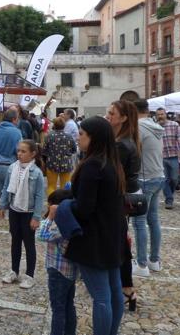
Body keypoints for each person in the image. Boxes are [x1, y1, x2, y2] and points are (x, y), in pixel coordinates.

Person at [62, 116, 125, 335]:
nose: (78, 138)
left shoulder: (92, 165)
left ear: (93, 138)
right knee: (114, 293)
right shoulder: (112, 163)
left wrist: (65, 205)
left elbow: (84, 209)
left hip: (93, 239)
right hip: (112, 236)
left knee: (101, 297)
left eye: (81, 134)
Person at [106, 100, 141, 311]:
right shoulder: (127, 140)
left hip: (118, 199)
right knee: (121, 241)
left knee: (118, 243)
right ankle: (126, 287)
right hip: (124, 198)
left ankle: (126, 288)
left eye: (112, 113)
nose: (108, 116)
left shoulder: (121, 144)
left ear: (123, 118)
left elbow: (113, 176)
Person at [0, 139, 45, 289]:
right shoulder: (12, 168)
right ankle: (14, 271)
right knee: (15, 241)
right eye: (18, 151)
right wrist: (3, 205)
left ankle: (29, 275)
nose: (19, 154)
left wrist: (36, 217)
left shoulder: (36, 172)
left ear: (32, 154)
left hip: (28, 212)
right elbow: (6, 187)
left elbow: (39, 196)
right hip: (14, 210)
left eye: (23, 151)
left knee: (29, 243)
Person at [36, 189, 78, 335]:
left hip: (58, 270)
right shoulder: (73, 220)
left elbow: (41, 235)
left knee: (58, 308)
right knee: (68, 305)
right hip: (71, 271)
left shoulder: (60, 222)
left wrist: (50, 217)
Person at [131, 99, 165, 277]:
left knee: (139, 222)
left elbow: (133, 153)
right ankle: (155, 260)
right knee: (153, 219)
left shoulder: (138, 128)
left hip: (144, 178)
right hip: (158, 175)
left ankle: (142, 264)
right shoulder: (155, 126)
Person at [155, 107, 180, 209]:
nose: (160, 116)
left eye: (162, 114)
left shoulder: (174, 125)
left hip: (173, 156)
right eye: (158, 115)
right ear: (156, 116)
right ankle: (169, 200)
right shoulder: (154, 126)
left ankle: (170, 194)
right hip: (161, 157)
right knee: (165, 180)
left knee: (174, 179)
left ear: (165, 114)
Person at [42, 117, 77, 196]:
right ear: (64, 125)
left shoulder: (49, 136)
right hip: (66, 164)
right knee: (65, 186)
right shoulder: (69, 136)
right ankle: (62, 204)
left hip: (52, 164)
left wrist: (51, 154)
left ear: (54, 125)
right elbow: (74, 149)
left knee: (51, 186)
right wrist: (67, 153)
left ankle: (50, 205)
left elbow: (44, 151)